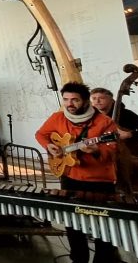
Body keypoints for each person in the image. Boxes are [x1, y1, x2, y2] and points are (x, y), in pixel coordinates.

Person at [35, 82, 118, 263]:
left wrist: (96, 150)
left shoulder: (105, 123)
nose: (69, 104)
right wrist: (49, 146)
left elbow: (112, 151)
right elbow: (41, 134)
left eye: (75, 100)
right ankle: (78, 258)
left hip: (99, 180)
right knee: (73, 223)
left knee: (103, 225)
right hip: (70, 176)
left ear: (86, 101)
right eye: (66, 100)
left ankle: (103, 260)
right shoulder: (57, 118)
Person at [90, 87, 138, 194]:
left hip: (127, 163)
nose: (97, 101)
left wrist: (129, 134)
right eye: (94, 98)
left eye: (101, 98)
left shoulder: (126, 115)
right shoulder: (91, 118)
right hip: (102, 164)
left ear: (111, 100)